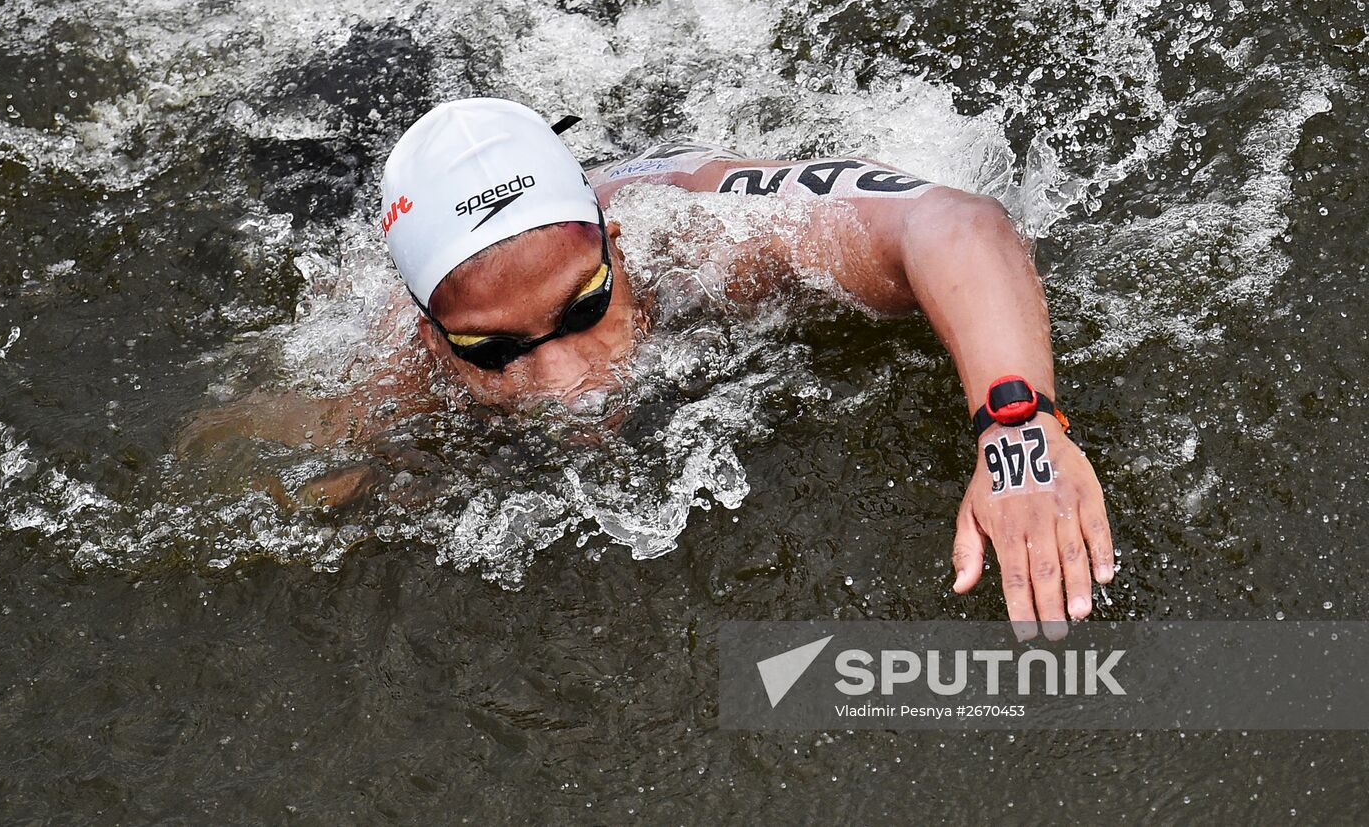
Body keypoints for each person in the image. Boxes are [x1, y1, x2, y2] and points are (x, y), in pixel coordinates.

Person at [376, 97, 1113, 640]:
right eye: (496, 351)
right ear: (436, 341)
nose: (570, 384)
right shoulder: (384, 377)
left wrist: (1017, 427)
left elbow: (955, 221)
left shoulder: (711, 242)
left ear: (619, 243)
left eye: (585, 308)